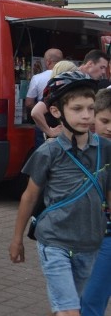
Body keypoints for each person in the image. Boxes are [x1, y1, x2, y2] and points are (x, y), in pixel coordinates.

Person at [9, 71, 111, 316]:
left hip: (89, 242)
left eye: (90, 108)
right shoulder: (48, 152)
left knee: (65, 306)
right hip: (54, 241)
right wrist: (17, 239)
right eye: (77, 109)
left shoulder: (106, 149)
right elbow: (29, 197)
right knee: (70, 311)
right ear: (56, 112)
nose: (86, 116)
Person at [81, 88, 111, 316]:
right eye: (105, 121)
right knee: (81, 300)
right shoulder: (83, 149)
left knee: (91, 301)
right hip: (82, 236)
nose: (109, 128)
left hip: (107, 237)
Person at [32, 50, 110, 138]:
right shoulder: (64, 87)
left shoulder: (103, 147)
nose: (86, 116)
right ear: (90, 64)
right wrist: (50, 132)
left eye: (91, 108)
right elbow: (36, 112)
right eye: (102, 67)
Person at [26, 49, 64, 146]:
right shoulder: (69, 77)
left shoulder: (37, 78)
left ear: (48, 62)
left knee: (42, 153)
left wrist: (43, 110)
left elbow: (29, 103)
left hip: (44, 123)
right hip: (63, 123)